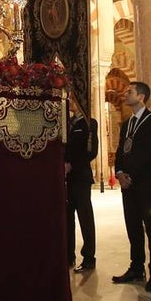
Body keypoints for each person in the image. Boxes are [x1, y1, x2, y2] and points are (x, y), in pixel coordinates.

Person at [112, 81, 151, 291]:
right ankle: (136, 268)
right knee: (132, 227)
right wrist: (119, 173)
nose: (126, 94)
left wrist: (130, 174)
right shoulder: (127, 123)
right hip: (128, 184)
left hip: (146, 183)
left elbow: (148, 153)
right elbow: (121, 152)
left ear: (141, 97)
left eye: (130, 92)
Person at [65, 97, 99, 273]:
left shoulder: (89, 122)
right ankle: (68, 255)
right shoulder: (67, 122)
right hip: (66, 177)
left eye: (74, 98)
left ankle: (89, 257)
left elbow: (91, 151)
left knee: (85, 217)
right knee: (67, 217)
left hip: (80, 177)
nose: (70, 100)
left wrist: (72, 164)